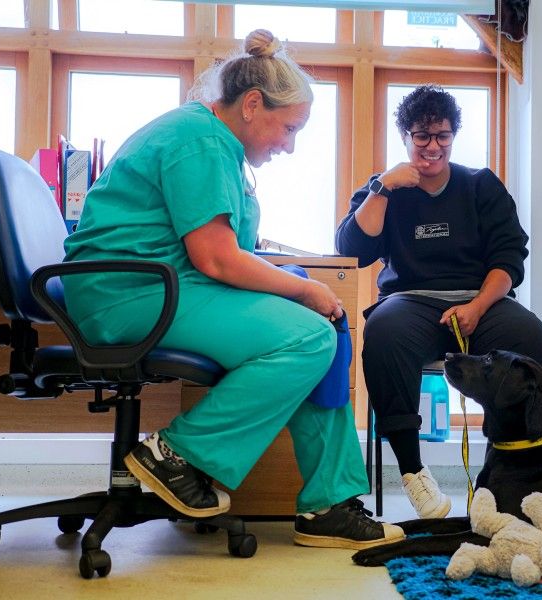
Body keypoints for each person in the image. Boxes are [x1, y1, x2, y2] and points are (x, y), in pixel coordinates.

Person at [62, 29, 404, 550]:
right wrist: (301, 291)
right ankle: (176, 454)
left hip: (166, 287)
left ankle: (329, 503)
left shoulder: (213, 141)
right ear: (251, 105)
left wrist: (301, 288)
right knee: (306, 336)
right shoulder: (199, 141)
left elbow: (222, 250)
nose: (288, 146)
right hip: (128, 295)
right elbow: (217, 258)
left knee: (324, 328)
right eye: (288, 128)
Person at [336, 85, 542, 519]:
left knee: (529, 334)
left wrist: (477, 307)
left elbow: (510, 258)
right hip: (411, 302)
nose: (432, 146)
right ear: (406, 136)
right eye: (422, 136)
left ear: (453, 136)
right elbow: (353, 250)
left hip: (480, 300)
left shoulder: (480, 185)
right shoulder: (387, 188)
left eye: (442, 136)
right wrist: (382, 188)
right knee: (382, 332)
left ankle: (504, 466)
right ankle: (414, 472)